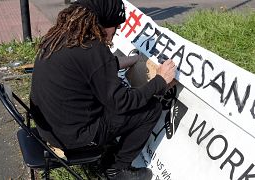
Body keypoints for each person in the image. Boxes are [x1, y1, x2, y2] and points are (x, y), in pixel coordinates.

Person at [30, 0, 176, 179]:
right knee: (151, 109)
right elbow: (123, 103)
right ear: (104, 24)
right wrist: (160, 81)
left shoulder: (62, 35)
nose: (115, 33)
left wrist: (121, 62)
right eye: (116, 27)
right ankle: (117, 169)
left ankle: (110, 154)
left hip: (49, 129)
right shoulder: (93, 48)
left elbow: (88, 68)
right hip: (73, 138)